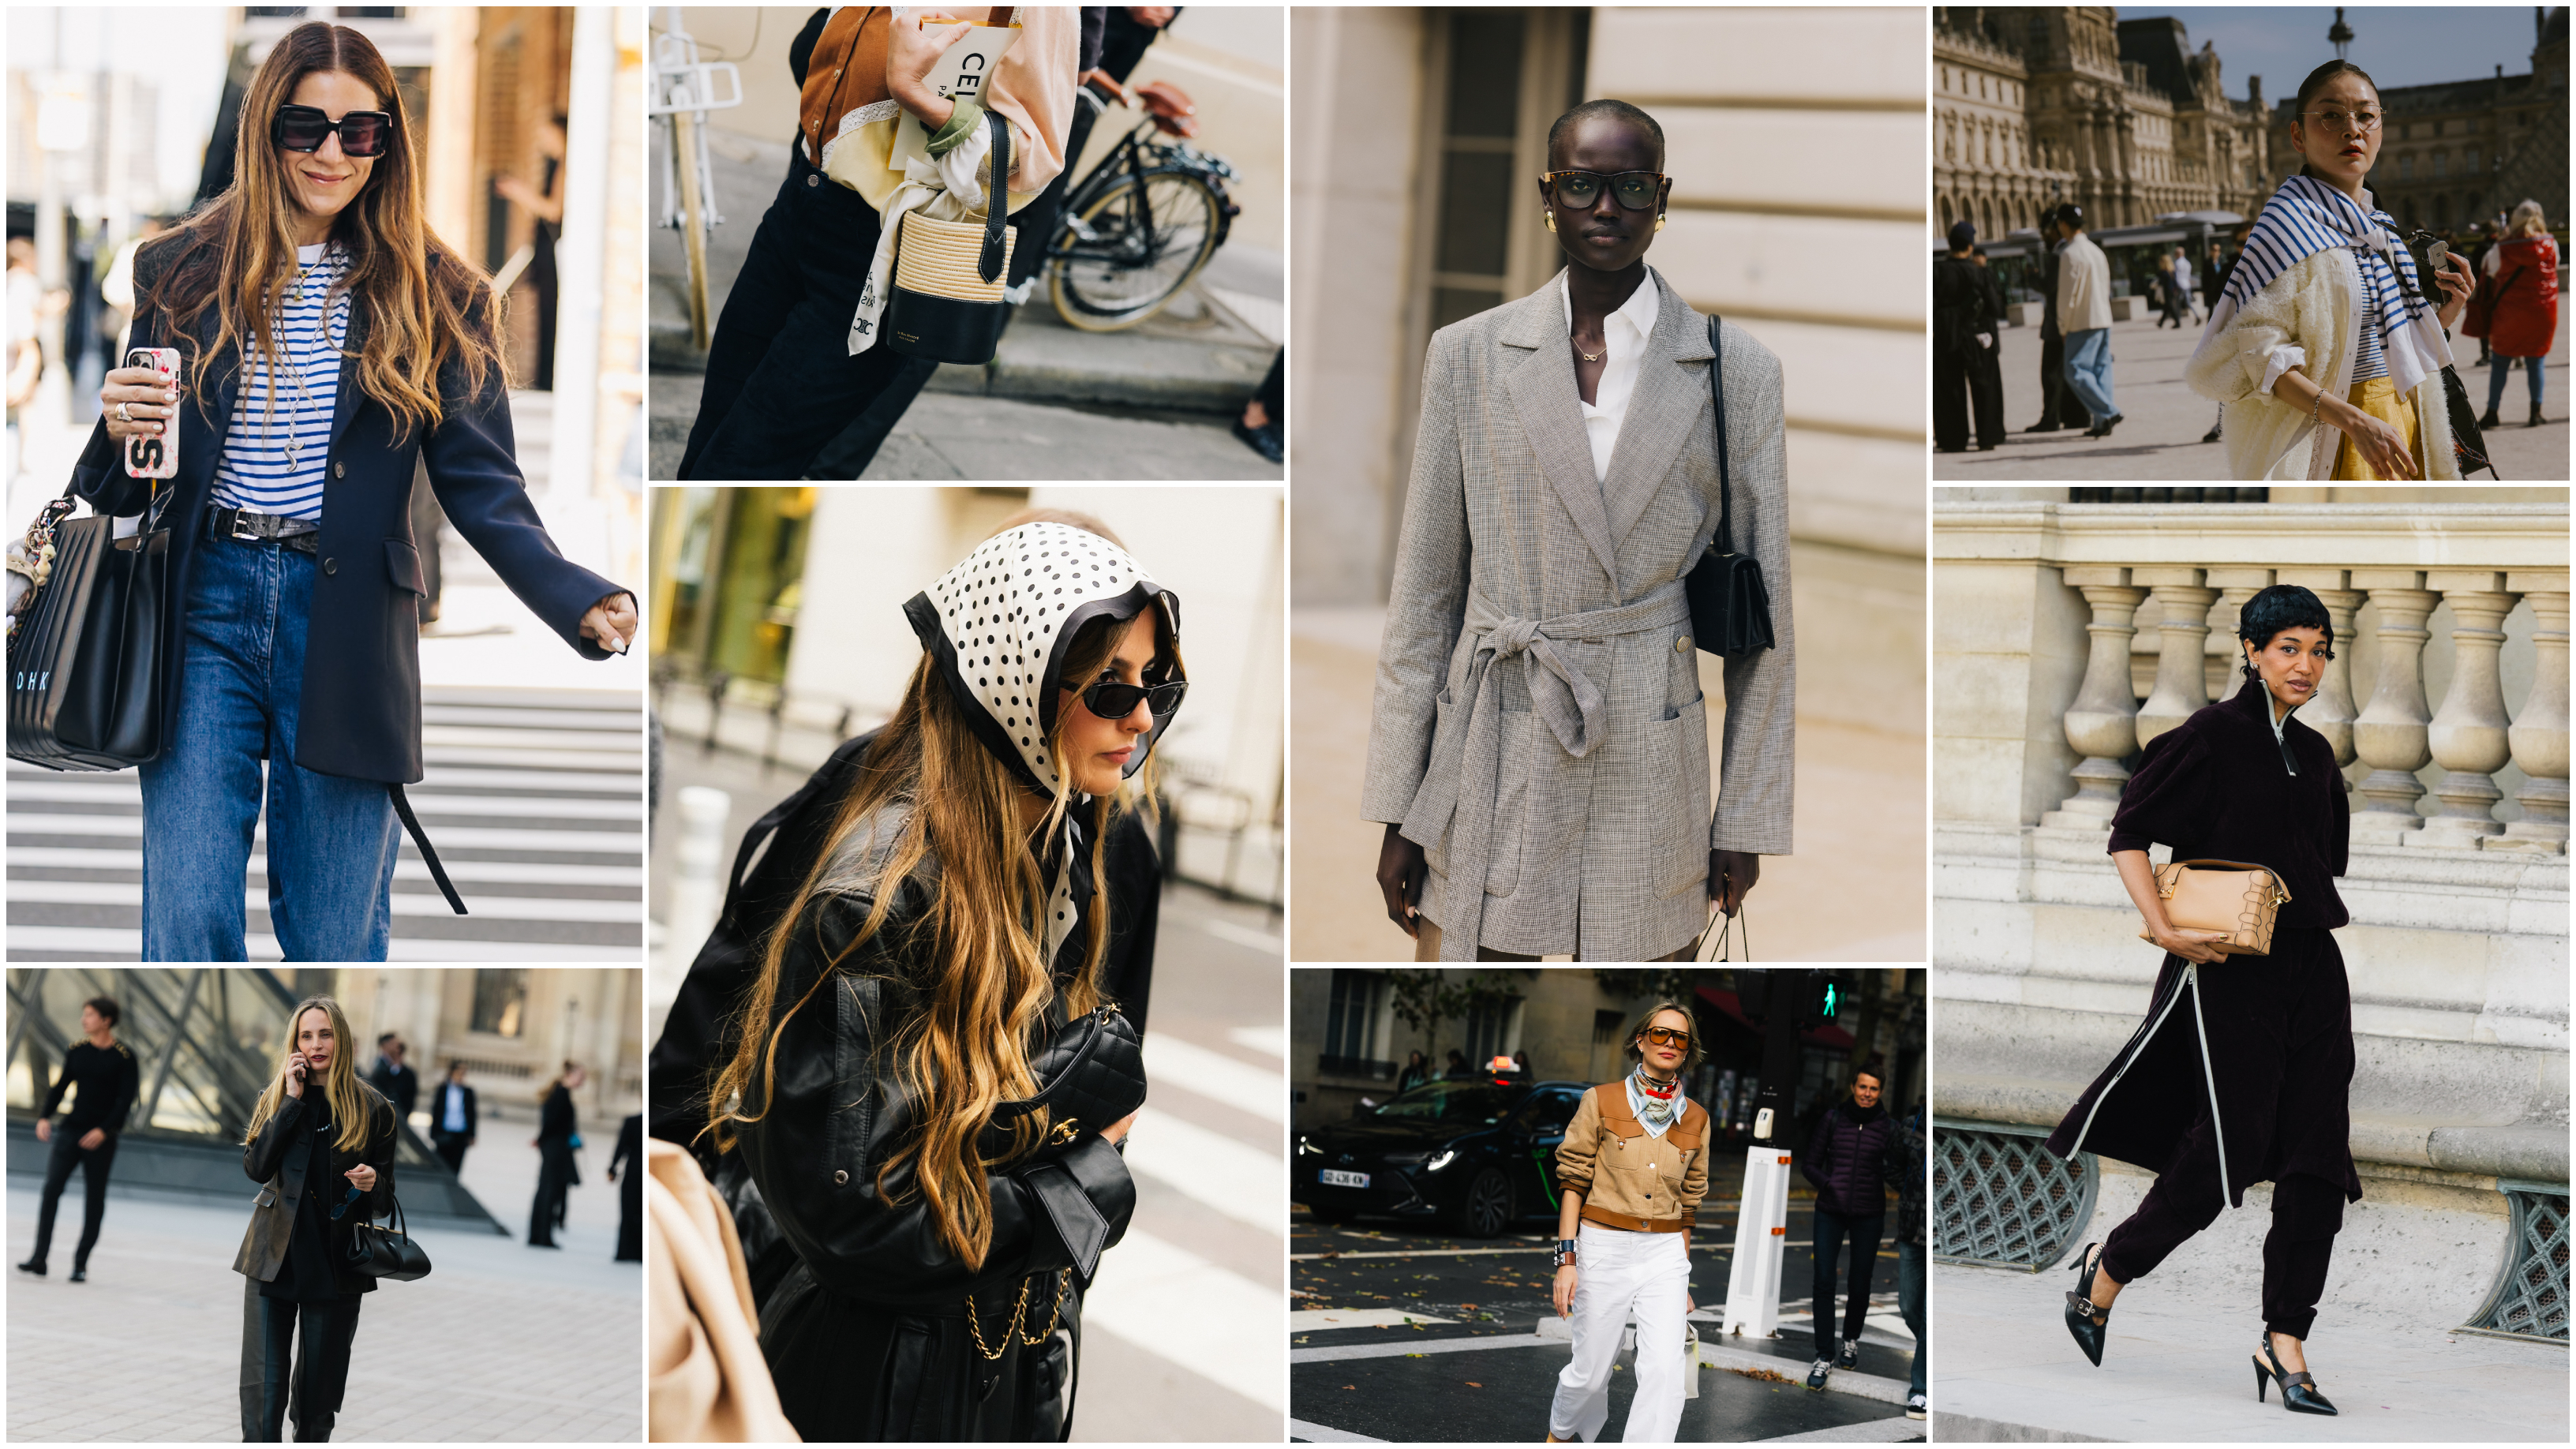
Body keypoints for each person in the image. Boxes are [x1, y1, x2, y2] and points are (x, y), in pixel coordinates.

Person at [84, 22, 637, 961]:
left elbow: (484, 484)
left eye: (360, 132)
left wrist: (575, 591)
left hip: (346, 625)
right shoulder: (178, 270)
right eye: (305, 128)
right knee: (186, 924)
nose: (332, 153)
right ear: (266, 130)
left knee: (337, 932)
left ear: (389, 143)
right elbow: (121, 480)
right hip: (200, 608)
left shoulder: (441, 295)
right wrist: (118, 420)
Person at [702, 516, 1178, 1440]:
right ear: (1016, 685)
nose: (1143, 717)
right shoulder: (877, 898)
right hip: (883, 1384)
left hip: (1010, 1356)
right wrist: (1086, 1174)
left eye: (1156, 681)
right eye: (1112, 688)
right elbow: (853, 1222)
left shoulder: (1076, 846)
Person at [1365, 98, 1792, 963]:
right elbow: (1424, 598)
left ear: (1662, 197)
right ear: (1546, 195)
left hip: (1650, 739)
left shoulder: (1737, 370)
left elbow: (1766, 627)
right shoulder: (1468, 354)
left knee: (1646, 980)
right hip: (1495, 731)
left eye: (1632, 186)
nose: (1607, 208)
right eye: (1582, 185)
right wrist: (1400, 805)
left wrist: (1742, 815)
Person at [2046, 584, 2357, 1417]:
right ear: (2251, 651)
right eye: (2290, 646)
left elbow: (2326, 860)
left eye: (2320, 649)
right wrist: (2162, 929)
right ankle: (2109, 1270)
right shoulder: (2209, 738)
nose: (2307, 663)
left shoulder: (2322, 755)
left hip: (2313, 968)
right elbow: (2128, 833)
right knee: (2232, 1147)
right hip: (2225, 966)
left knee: (2318, 1159)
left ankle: (2285, 1338)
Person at [676, 8, 1078, 479]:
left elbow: (1031, 158)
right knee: (708, 442)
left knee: (742, 464)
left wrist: (915, 94)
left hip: (876, 251)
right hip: (797, 205)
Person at [2185, 61, 2476, 481]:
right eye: (2331, 115)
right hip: (2333, 438)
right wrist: (2355, 422)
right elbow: (2259, 356)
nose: (2352, 128)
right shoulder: (2286, 228)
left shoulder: (2383, 231)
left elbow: (2390, 345)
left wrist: (2444, 315)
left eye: (2366, 115)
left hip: (2402, 427)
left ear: (2381, 129)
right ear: (2297, 136)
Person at [234, 995, 397, 1443]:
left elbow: (385, 1201)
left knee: (317, 1405)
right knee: (262, 1398)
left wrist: (371, 1183)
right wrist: (290, 1102)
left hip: (336, 1270)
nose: (316, 1044)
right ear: (295, 1042)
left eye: (325, 1034)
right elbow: (256, 1168)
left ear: (340, 1039)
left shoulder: (375, 1109)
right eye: (306, 1035)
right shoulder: (278, 1096)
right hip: (272, 1263)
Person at [1544, 1002, 1706, 1443]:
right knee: (1591, 1374)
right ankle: (1559, 1435)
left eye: (1680, 1038)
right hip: (1603, 1245)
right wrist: (1567, 1259)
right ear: (1641, 1039)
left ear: (1688, 1050)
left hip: (1666, 1253)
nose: (1670, 1043)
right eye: (1660, 1034)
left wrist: (1683, 1275)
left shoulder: (1696, 1118)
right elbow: (1574, 1181)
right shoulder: (1601, 1100)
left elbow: (1688, 1204)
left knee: (1665, 1372)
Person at [17, 996, 140, 1282]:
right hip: (71, 1132)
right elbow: (61, 1087)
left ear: (105, 1021)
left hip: (101, 1138)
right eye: (84, 1014)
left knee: (94, 1200)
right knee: (51, 1191)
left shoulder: (124, 1057)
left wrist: (103, 1130)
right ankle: (39, 1258)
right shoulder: (77, 1051)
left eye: (89, 1015)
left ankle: (80, 1264)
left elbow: (125, 1102)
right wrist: (45, 1116)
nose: (84, 1020)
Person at [1802, 1069, 1893, 1390]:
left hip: (1869, 1214)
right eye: (1863, 1086)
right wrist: (1829, 1184)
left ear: (1880, 1092)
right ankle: (1824, 1355)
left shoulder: (1887, 1127)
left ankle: (1851, 1340)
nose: (1867, 1093)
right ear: (1853, 1087)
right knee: (1824, 1281)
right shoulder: (1832, 1119)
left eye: (1874, 1088)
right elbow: (1809, 1164)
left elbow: (1896, 1169)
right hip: (1830, 1210)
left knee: (1860, 1282)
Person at [491, 114, 566, 391]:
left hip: (553, 252)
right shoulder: (556, 163)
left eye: (547, 134)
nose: (543, 141)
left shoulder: (566, 164)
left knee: (551, 313)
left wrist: (519, 192)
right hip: (543, 247)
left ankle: (548, 379)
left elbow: (553, 210)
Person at [2476, 199, 2557, 430]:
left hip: (2509, 313)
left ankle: (2492, 412)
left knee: (2500, 363)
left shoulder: (2500, 249)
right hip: (2542, 312)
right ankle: (2535, 412)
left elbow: (2487, 269)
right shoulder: (2551, 244)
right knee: (2536, 361)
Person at [1934, 220, 2005, 451]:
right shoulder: (1979, 273)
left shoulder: (1937, 272)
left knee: (1949, 390)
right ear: (1970, 246)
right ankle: (1989, 436)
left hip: (1947, 338)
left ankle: (1952, 439)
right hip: (1978, 337)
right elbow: (1995, 307)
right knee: (1986, 387)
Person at [2054, 204, 2121, 438]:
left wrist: (2063, 326)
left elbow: (2067, 297)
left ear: (2063, 224)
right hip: (2102, 317)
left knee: (2075, 371)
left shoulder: (2069, 253)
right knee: (2101, 370)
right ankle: (2102, 421)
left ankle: (2109, 411)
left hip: (2082, 320)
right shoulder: (2096, 251)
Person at [1889, 1101, 1928, 1420]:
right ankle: (1930, 1353)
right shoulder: (1910, 1125)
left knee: (1929, 1318)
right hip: (1910, 1230)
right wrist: (1910, 1192)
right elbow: (1891, 1163)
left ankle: (1920, 1390)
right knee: (1908, 1306)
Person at [528, 1061, 585, 1247]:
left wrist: (541, 1138)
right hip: (556, 1148)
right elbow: (551, 1122)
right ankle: (543, 1236)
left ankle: (538, 1235)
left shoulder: (559, 1093)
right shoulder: (561, 1094)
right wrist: (542, 1138)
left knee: (545, 1189)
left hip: (553, 1146)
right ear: (570, 1074)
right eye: (581, 1077)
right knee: (549, 1191)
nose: (582, 1081)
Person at [427, 1059, 477, 1176]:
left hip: (461, 1134)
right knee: (441, 1165)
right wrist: (433, 1132)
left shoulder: (468, 1092)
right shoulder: (442, 1089)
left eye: (464, 1072)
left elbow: (472, 1114)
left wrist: (472, 1134)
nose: (461, 1075)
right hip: (444, 1132)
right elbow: (436, 1111)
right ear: (452, 1072)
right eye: (459, 1071)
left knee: (456, 1168)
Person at [606, 1112, 644, 1263]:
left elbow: (621, 1146)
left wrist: (612, 1168)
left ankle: (625, 1251)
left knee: (628, 1211)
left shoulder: (632, 1121)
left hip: (633, 1172)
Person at [365, 1034, 416, 1123]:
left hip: (398, 1115)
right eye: (394, 1044)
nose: (396, 1047)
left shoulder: (406, 1073)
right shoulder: (379, 1067)